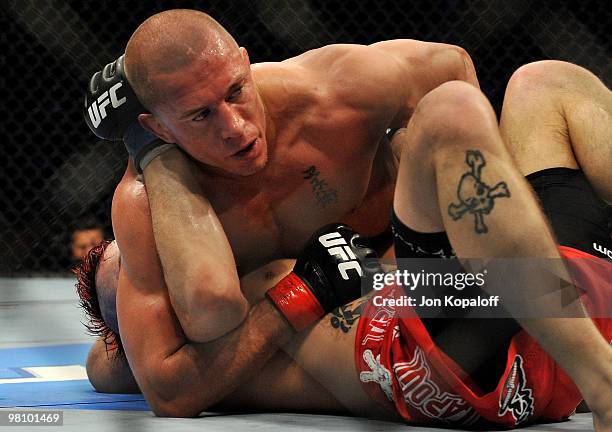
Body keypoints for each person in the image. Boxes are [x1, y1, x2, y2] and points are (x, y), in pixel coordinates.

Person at [81, 9, 611, 429]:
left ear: (244, 61)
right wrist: (153, 154)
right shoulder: (165, 229)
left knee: (543, 82)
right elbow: (172, 334)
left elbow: (452, 65)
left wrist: (446, 198)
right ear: (158, 125)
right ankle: (601, 382)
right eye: (199, 116)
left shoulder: (335, 90)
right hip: (448, 340)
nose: (236, 127)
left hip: (496, 283)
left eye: (236, 92)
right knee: (453, 111)